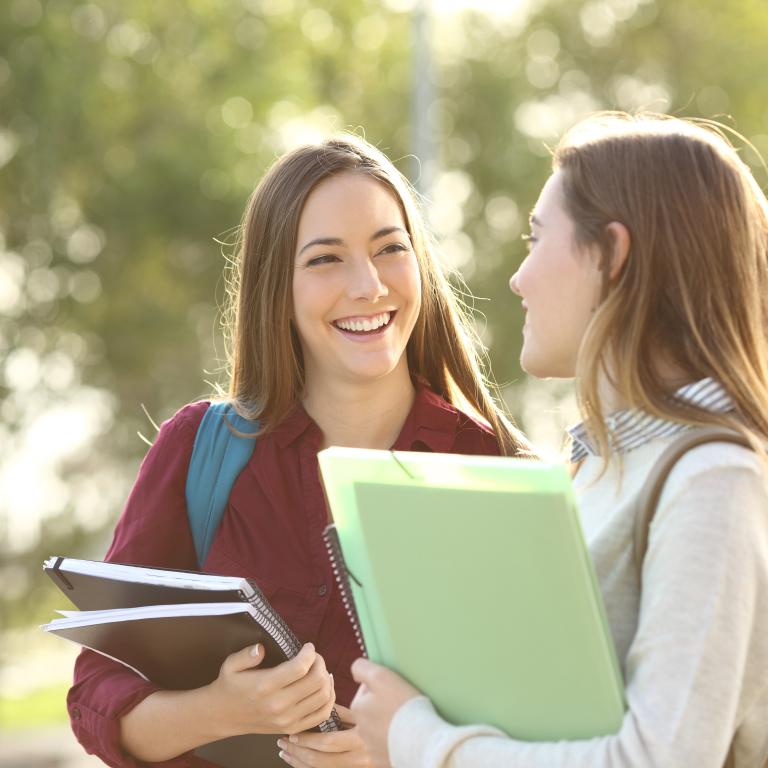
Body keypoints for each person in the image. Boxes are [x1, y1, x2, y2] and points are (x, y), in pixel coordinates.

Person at [67, 134, 531, 768]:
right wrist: (220, 711)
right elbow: (98, 693)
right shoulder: (200, 451)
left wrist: (402, 754)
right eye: (324, 260)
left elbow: (549, 731)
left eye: (390, 248)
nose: (367, 286)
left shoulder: (498, 472)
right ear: (275, 287)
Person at [350, 113, 768, 768]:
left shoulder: (713, 476)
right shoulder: (599, 465)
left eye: (537, 237)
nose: (518, 277)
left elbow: (659, 760)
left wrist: (419, 740)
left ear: (613, 254)